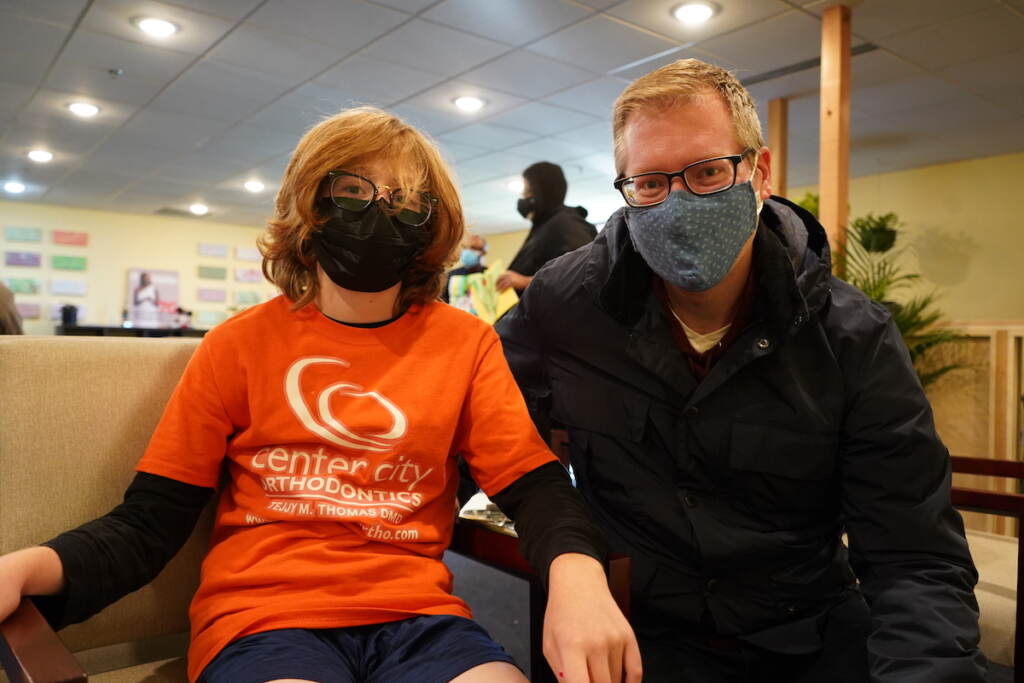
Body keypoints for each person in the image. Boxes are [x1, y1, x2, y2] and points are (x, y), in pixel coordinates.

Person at [0, 108, 640, 683]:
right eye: (353, 192)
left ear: (430, 225)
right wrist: (24, 570)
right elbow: (148, 524)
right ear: (311, 207)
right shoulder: (237, 345)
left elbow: (534, 486)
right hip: (263, 621)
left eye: (406, 202)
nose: (377, 215)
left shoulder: (464, 344)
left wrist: (577, 570)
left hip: (420, 619)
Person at [496, 59, 985, 682]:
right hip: (633, 633)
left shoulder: (855, 337)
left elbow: (914, 556)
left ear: (759, 172)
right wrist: (570, 556)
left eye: (705, 172)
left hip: (802, 634)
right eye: (648, 182)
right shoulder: (565, 303)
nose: (675, 204)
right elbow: (484, 423)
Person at [496, 162, 596, 295]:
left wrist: (526, 281)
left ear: (542, 192)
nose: (524, 199)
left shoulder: (566, 223)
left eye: (528, 192)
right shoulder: (544, 226)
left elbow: (581, 274)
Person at [441, 233, 487, 311]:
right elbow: (443, 299)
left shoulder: (488, 274)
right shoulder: (451, 274)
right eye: (466, 248)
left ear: (483, 252)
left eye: (474, 248)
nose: (469, 251)